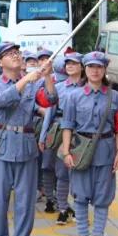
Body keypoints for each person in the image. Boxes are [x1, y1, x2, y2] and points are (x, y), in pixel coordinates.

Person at [0, 42, 56, 236]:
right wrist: (27, 79)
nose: (16, 56)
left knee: (25, 198)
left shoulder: (33, 84)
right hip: (2, 145)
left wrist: (48, 77)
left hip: (26, 146)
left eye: (17, 53)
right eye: (9, 54)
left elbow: (50, 100)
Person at [61, 51, 118, 236]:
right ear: (85, 69)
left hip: (106, 150)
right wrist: (66, 152)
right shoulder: (73, 96)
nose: (95, 70)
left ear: (104, 69)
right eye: (91, 66)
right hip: (81, 150)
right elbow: (67, 126)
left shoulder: (114, 96)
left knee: (103, 197)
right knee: (80, 196)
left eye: (99, 67)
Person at [39, 53, 84, 224]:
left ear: (82, 66)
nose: (70, 66)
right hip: (58, 130)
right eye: (68, 63)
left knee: (79, 171)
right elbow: (50, 111)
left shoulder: (86, 88)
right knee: (60, 170)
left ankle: (78, 206)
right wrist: (43, 135)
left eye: (74, 63)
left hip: (79, 133)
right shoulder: (59, 87)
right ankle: (62, 207)